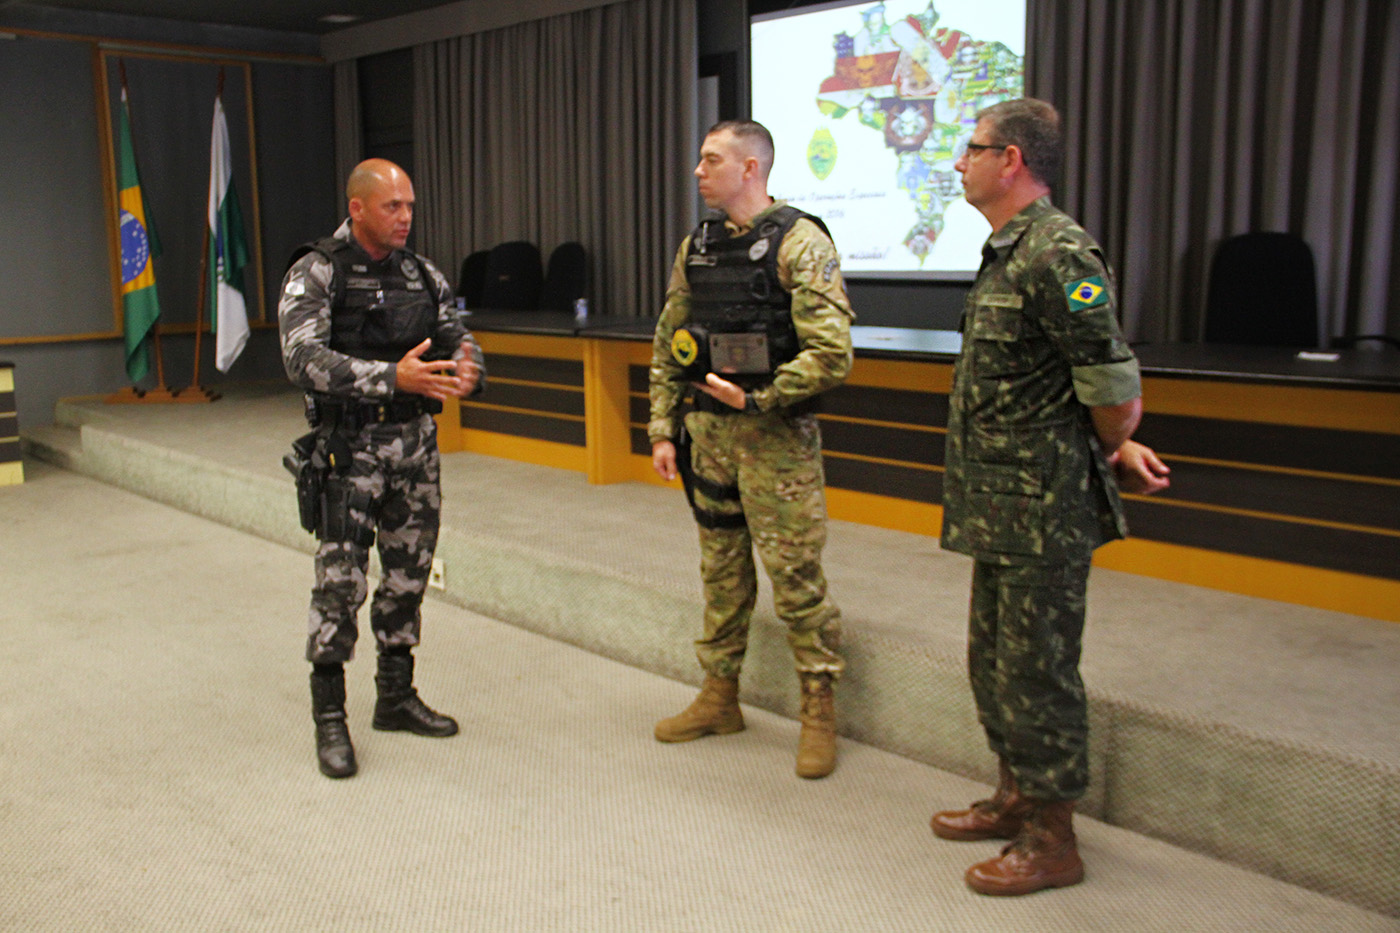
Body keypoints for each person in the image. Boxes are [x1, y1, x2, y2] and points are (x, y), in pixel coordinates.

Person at [930, 99, 1171, 894]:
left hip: (1043, 506)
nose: (959, 162)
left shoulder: (1060, 252)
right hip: (999, 502)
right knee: (994, 663)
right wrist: (1115, 440)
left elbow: (1110, 380)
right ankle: (1015, 795)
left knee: (1038, 672)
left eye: (972, 148)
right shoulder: (1009, 248)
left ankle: (1053, 837)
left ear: (1012, 160)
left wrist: (1114, 441)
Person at [648, 120, 854, 780]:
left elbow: (833, 353)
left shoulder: (801, 242)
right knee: (722, 574)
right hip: (709, 440)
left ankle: (819, 709)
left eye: (712, 159)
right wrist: (661, 427)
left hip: (776, 445)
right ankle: (719, 697)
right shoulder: (698, 246)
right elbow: (670, 340)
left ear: (750, 168)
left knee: (795, 580)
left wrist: (761, 396)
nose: (699, 171)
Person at [279, 158, 485, 779]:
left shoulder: (421, 273)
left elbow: (456, 335)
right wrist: (391, 377)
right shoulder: (317, 270)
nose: (405, 217)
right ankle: (330, 719)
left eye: (410, 206)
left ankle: (395, 698)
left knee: (407, 577)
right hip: (350, 450)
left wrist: (469, 364)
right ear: (358, 207)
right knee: (340, 583)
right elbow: (301, 358)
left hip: (415, 449)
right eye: (393, 206)